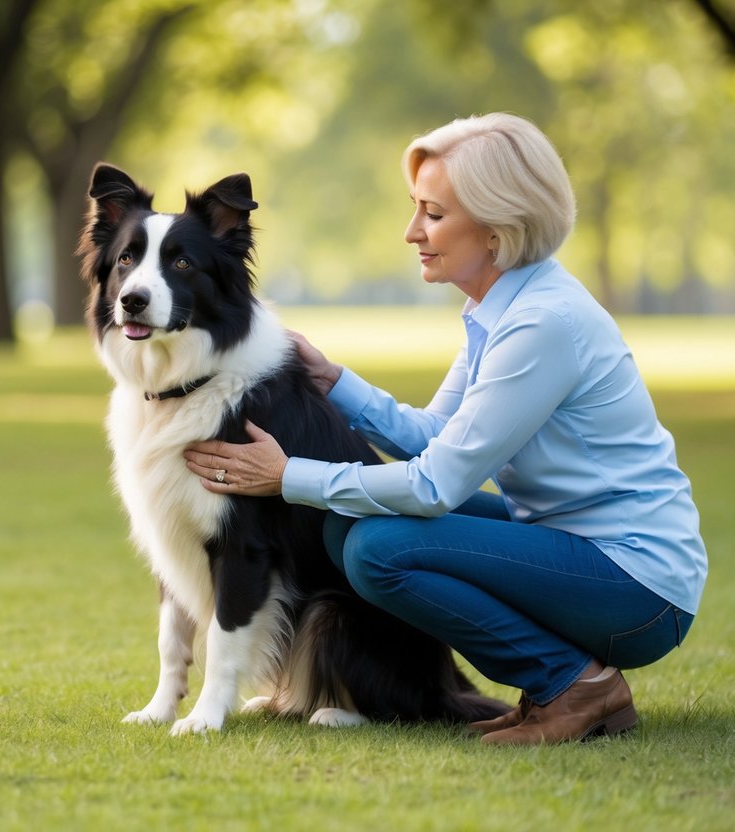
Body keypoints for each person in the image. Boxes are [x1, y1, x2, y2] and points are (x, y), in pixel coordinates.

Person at [183, 112, 707, 746]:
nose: (412, 233)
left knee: (380, 551)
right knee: (349, 523)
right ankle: (565, 684)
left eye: (432, 214)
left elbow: (437, 485)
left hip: (635, 587)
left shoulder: (541, 324)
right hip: (571, 547)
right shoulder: (500, 304)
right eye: (416, 209)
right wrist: (335, 382)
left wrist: (288, 475)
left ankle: (573, 686)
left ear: (496, 227)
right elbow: (439, 436)